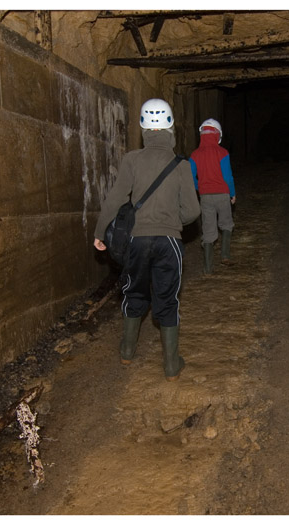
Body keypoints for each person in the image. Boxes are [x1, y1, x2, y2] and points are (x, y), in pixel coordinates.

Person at [93, 98, 200, 381]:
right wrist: (171, 222)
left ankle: (127, 351)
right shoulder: (181, 164)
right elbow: (193, 211)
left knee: (135, 291)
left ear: (143, 126)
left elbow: (115, 199)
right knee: (167, 298)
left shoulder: (132, 159)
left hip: (137, 241)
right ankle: (171, 366)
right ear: (170, 126)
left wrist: (100, 232)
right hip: (169, 242)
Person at [189, 118, 236, 274]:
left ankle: (208, 268)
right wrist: (232, 193)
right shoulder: (222, 153)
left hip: (205, 196)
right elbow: (228, 176)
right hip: (222, 194)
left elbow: (191, 177)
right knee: (226, 223)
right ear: (218, 135)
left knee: (208, 230)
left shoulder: (195, 155)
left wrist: (200, 187)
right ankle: (225, 255)